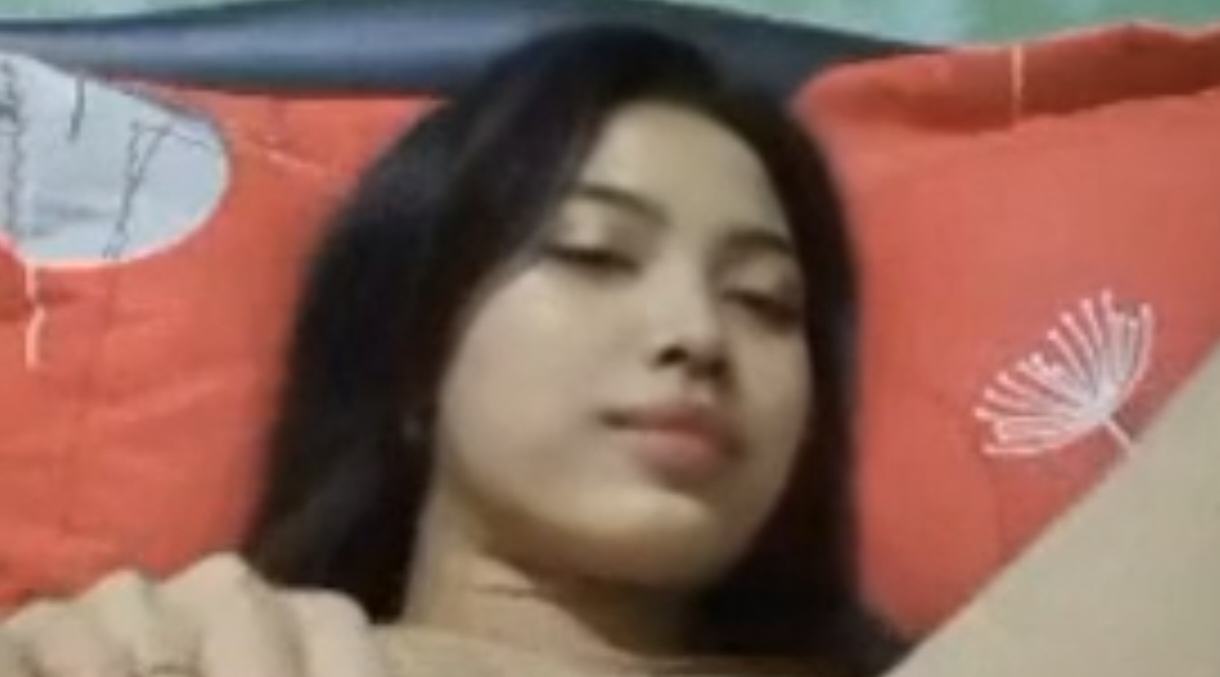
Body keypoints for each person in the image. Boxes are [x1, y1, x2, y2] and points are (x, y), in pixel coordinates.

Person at [0, 26, 903, 676]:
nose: (700, 335)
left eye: (765, 300)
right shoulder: (221, 650)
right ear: (416, 348)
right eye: (592, 253)